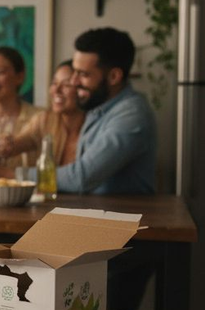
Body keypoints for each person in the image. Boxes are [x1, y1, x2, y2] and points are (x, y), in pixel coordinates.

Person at [58, 27, 156, 194]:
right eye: (74, 71)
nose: (73, 81)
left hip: (123, 218)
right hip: (98, 214)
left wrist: (13, 176)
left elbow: (82, 177)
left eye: (83, 74)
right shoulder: (99, 105)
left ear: (114, 77)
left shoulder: (132, 115)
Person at [0, 61, 85, 180]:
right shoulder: (45, 120)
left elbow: (79, 177)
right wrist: (8, 145)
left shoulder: (94, 126)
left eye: (66, 85)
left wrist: (6, 173)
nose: (56, 90)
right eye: (54, 83)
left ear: (82, 90)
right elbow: (22, 140)